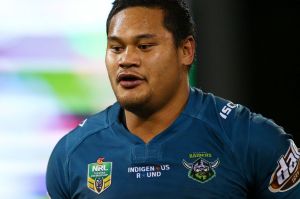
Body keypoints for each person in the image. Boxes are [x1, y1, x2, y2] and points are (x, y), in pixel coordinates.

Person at [46, 0, 300, 198]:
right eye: (116, 48)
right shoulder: (72, 154)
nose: (126, 59)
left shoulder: (251, 139)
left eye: (144, 46)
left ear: (186, 51)